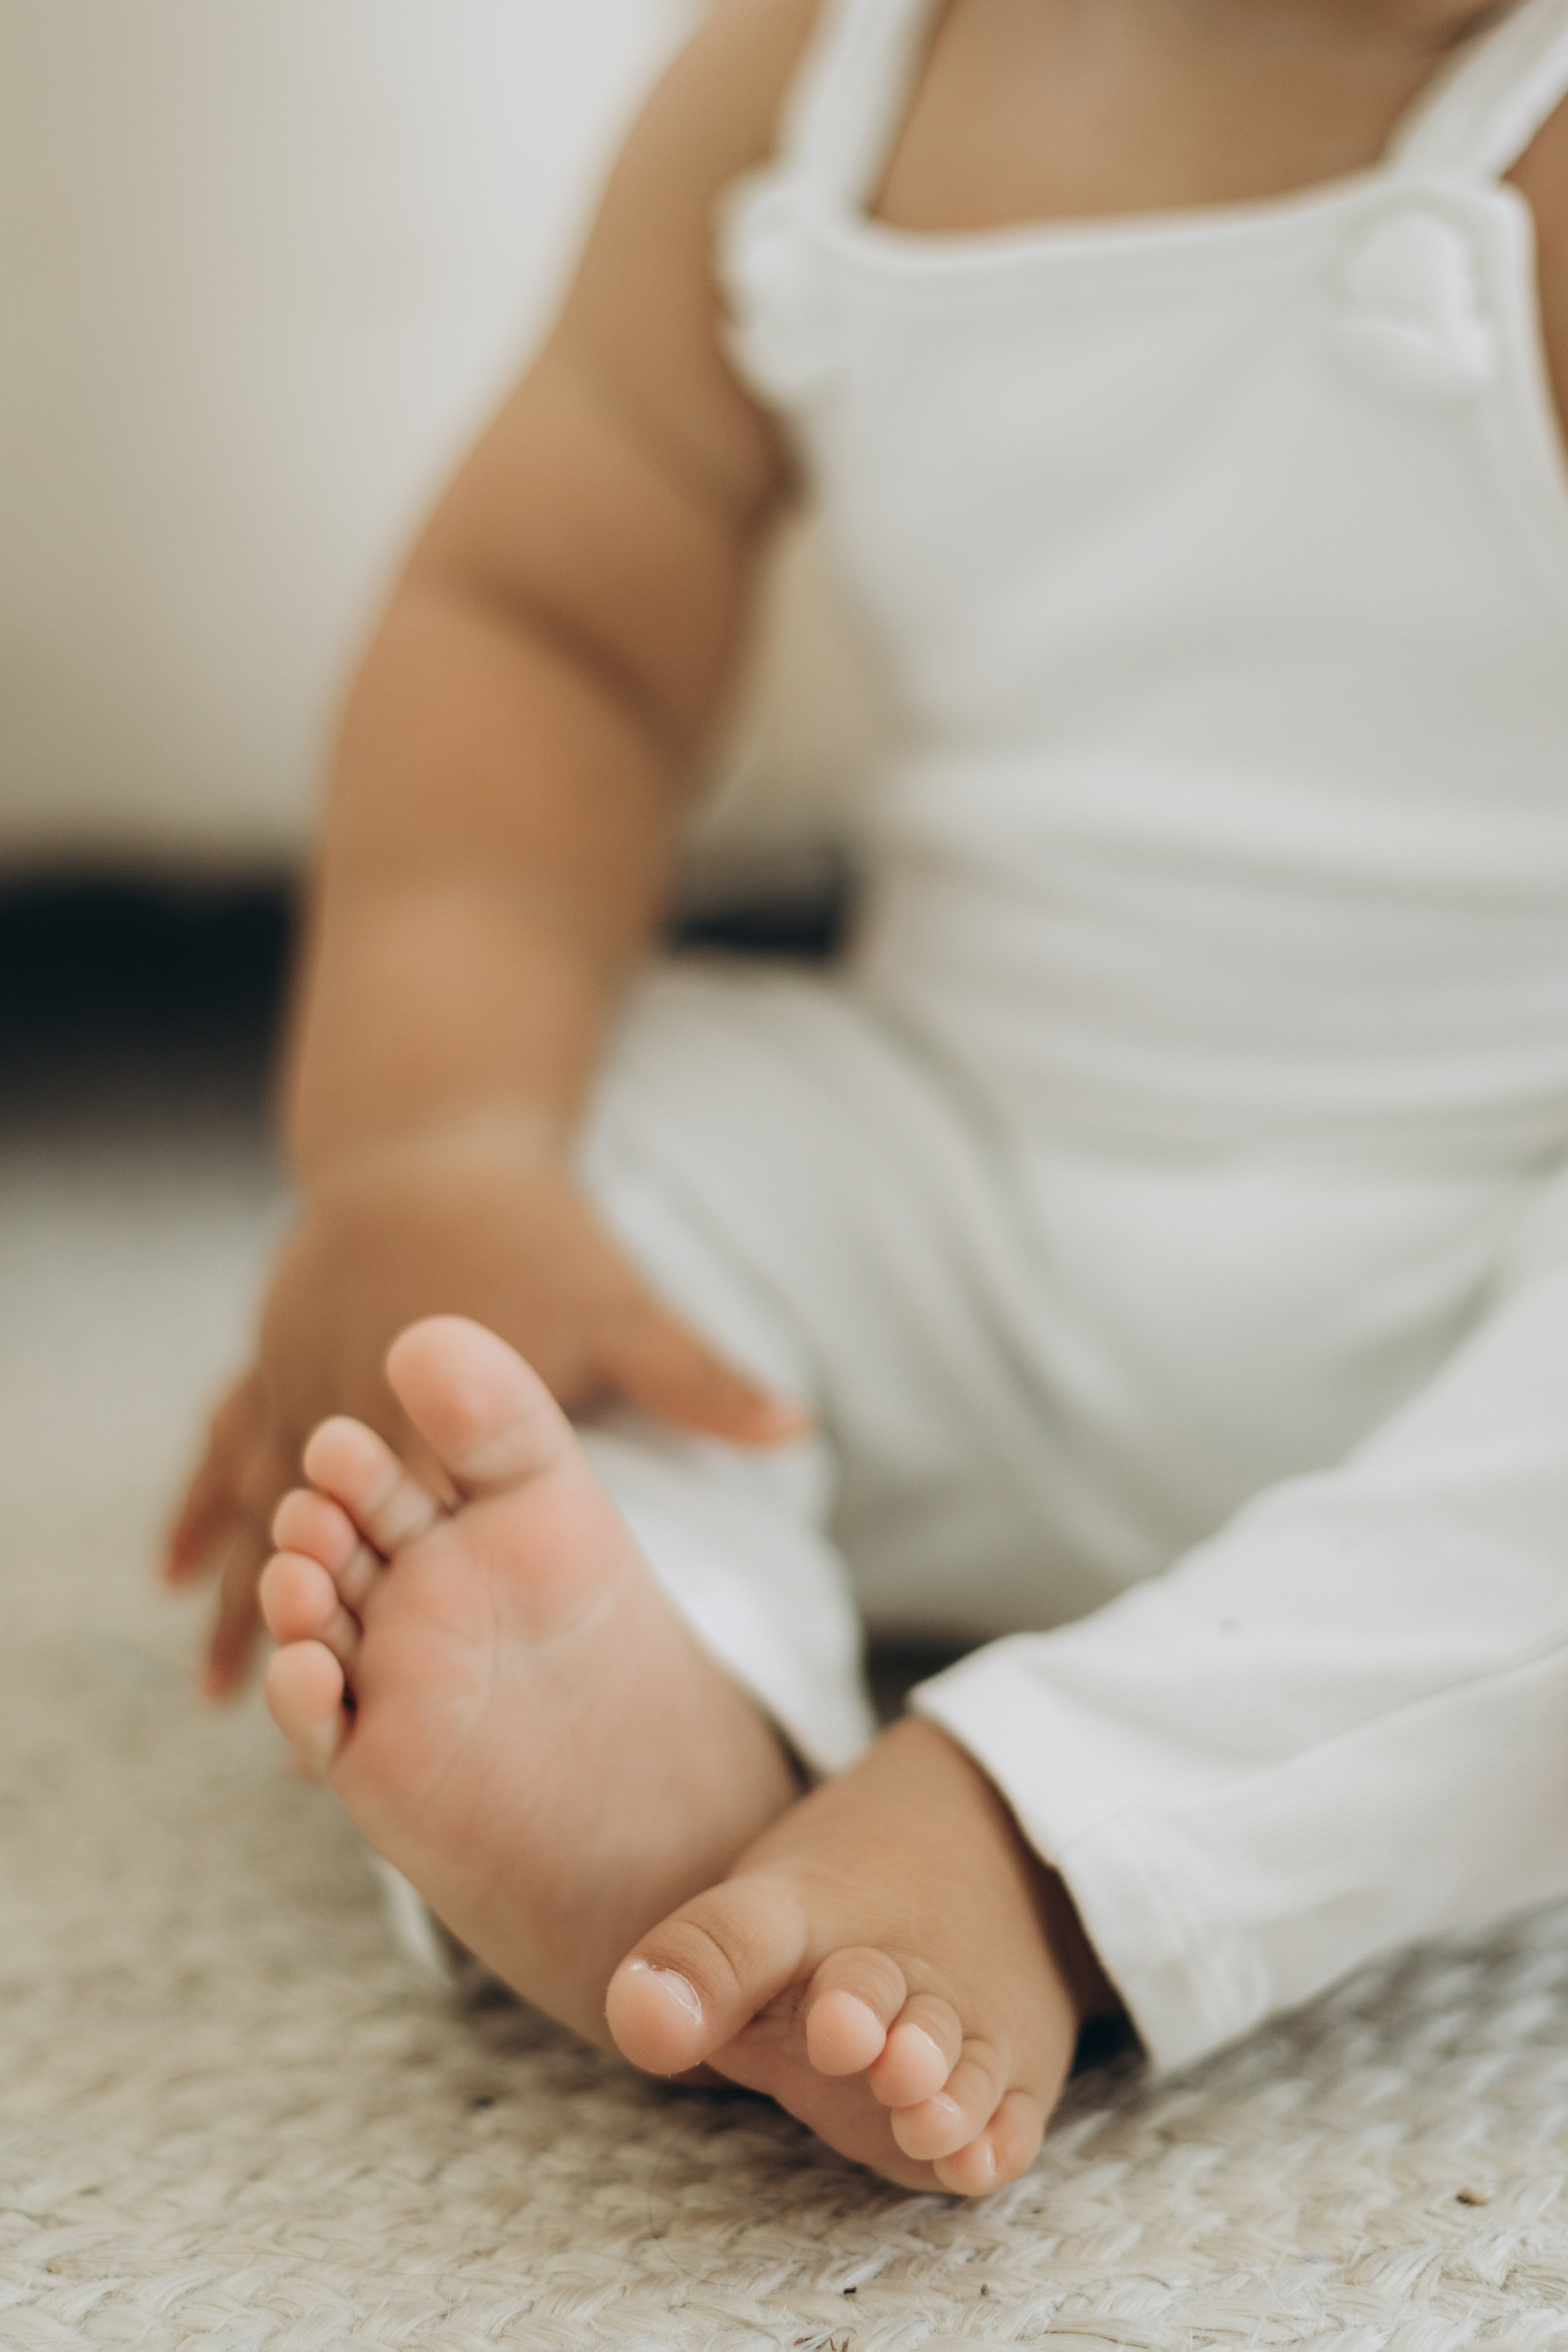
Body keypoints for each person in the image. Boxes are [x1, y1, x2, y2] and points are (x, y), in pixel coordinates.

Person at [165, 0, 1568, 2196]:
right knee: (556, 1163)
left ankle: (1041, 1832)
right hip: (961, 1192)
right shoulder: (808, 85)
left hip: (1499, 1254)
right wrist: (432, 1153)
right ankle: (667, 1709)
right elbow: (547, 623)